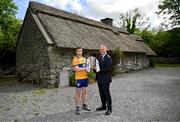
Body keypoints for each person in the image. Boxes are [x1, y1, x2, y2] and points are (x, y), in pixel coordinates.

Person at [72, 47, 91, 114]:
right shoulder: (75, 59)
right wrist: (84, 68)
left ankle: (84, 105)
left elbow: (87, 68)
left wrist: (88, 69)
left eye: (81, 51)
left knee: (84, 93)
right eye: (78, 51)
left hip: (85, 78)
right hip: (79, 79)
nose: (79, 52)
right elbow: (76, 69)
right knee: (78, 93)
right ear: (76, 52)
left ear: (82, 52)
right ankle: (77, 107)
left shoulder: (84, 59)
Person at [95, 44, 112, 115]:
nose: (101, 50)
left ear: (106, 50)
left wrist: (99, 69)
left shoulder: (108, 57)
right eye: (100, 49)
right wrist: (94, 69)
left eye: (103, 49)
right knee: (101, 93)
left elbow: (108, 69)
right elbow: (97, 67)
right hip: (99, 78)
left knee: (106, 93)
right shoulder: (98, 57)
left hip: (106, 79)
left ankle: (109, 108)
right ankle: (103, 106)